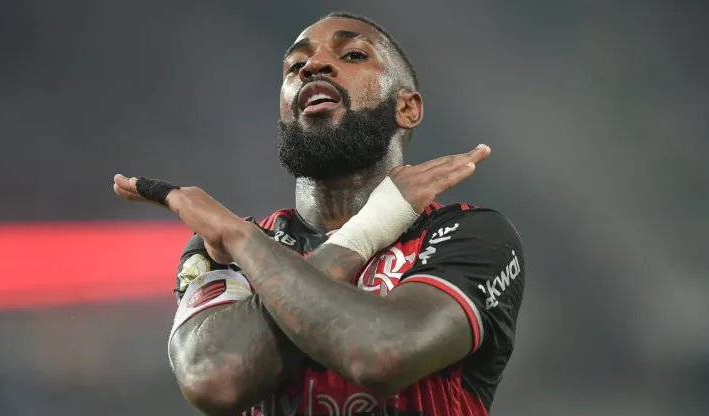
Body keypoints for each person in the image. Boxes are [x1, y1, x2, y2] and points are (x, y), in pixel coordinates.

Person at [113, 12, 525, 416]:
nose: (314, 65)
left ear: (408, 108)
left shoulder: (471, 233)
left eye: (354, 55)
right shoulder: (222, 249)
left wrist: (244, 240)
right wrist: (249, 239)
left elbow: (382, 355)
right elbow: (214, 381)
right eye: (295, 65)